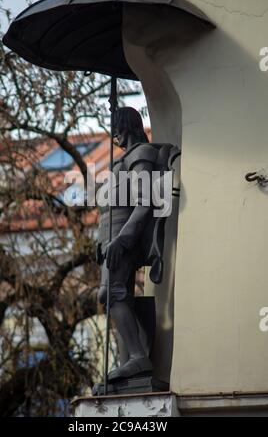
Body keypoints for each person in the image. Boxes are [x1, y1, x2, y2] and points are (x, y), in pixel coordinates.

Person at [96, 106, 177, 381]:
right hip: (110, 239)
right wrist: (101, 240)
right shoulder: (121, 160)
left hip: (122, 238)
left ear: (126, 126)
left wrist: (122, 239)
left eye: (116, 128)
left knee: (113, 294)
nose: (113, 136)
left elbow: (144, 203)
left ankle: (138, 358)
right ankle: (133, 357)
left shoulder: (141, 154)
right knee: (112, 296)